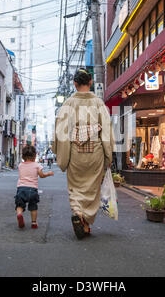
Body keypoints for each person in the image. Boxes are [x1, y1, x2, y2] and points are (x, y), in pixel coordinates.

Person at [53, 68, 115, 239]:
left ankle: (78, 212)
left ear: (74, 83)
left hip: (74, 152)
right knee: (92, 188)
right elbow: (107, 131)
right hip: (95, 151)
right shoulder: (98, 103)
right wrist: (108, 155)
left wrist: (60, 153)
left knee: (75, 187)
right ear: (90, 83)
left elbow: (60, 131)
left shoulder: (68, 104)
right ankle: (86, 221)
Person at [15, 145, 54, 229]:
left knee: (19, 205)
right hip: (32, 189)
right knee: (33, 206)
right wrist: (48, 174)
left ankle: (19, 214)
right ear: (34, 155)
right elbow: (42, 175)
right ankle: (34, 223)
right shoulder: (37, 165)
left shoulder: (20, 165)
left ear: (23, 156)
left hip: (21, 188)